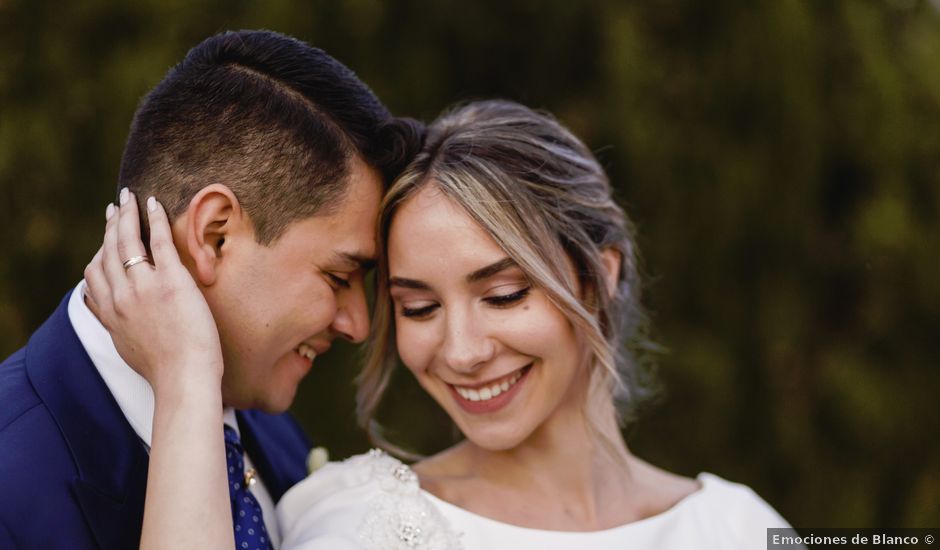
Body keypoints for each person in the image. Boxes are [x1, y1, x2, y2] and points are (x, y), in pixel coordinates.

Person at [87, 100, 794, 549]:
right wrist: (186, 374)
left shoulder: (738, 526)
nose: (460, 350)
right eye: (418, 308)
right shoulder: (357, 525)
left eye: (505, 294)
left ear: (600, 275)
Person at [0, 30, 420, 549]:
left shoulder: (272, 433)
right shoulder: (11, 489)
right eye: (339, 277)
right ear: (214, 235)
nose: (357, 323)